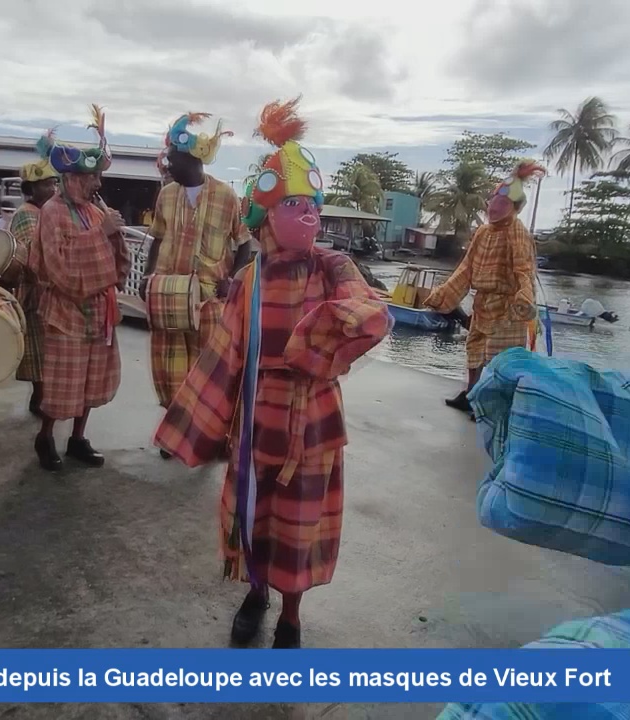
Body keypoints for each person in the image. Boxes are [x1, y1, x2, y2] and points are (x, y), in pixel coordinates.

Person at [154, 98, 393, 649]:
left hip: (312, 423)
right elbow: (223, 357)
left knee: (299, 528)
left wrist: (316, 349)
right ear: (266, 216)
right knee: (255, 517)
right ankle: (257, 593)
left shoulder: (334, 266)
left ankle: (292, 615)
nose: (305, 214)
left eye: (310, 204)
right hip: (256, 420)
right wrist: (195, 428)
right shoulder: (249, 279)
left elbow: (369, 312)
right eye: (292, 204)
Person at [28, 106, 130, 470]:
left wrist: (114, 236)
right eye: (91, 178)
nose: (97, 185)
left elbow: (116, 260)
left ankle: (78, 438)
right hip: (66, 312)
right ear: (70, 177)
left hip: (98, 311)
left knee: (90, 381)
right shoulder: (52, 212)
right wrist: (101, 235)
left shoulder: (92, 210)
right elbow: (57, 267)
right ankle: (45, 437)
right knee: (62, 383)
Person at [144, 113, 252, 453]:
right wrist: (148, 276)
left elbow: (244, 243)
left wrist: (232, 279)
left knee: (209, 372)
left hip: (209, 299)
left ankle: (213, 438)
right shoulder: (166, 195)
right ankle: (175, 435)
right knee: (172, 367)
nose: (167, 164)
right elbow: (158, 239)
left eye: (172, 159)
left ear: (192, 159)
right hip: (170, 295)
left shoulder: (226, 196)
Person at [423, 162, 545, 415]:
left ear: (514, 208)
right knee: (475, 348)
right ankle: (470, 394)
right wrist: (444, 294)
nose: (494, 208)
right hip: (483, 303)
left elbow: (524, 269)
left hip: (507, 306)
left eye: (502, 204)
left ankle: (495, 405)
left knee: (501, 358)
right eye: (493, 203)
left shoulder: (517, 231)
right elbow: (466, 268)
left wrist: (524, 297)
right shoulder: (483, 232)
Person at [9, 159, 60, 417]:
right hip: (36, 292)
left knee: (47, 350)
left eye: (54, 183)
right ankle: (39, 400)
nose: (53, 189)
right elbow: (31, 256)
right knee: (40, 351)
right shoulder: (26, 214)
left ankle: (42, 398)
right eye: (46, 184)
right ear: (32, 188)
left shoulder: (42, 212)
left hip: (46, 290)